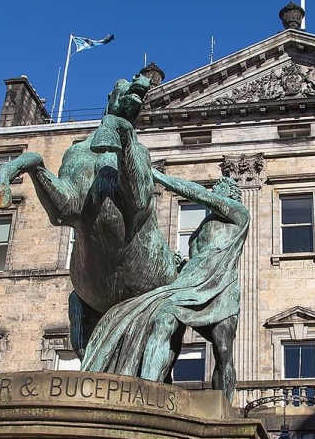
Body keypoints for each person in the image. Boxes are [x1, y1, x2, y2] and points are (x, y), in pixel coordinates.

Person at [81, 172, 249, 401]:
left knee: (223, 350)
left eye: (220, 187)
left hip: (221, 288)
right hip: (190, 285)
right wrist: (181, 264)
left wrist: (158, 177)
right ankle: (148, 389)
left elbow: (200, 195)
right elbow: (200, 259)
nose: (215, 190)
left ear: (230, 193)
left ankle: (225, 405)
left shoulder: (239, 214)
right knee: (162, 319)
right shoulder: (202, 228)